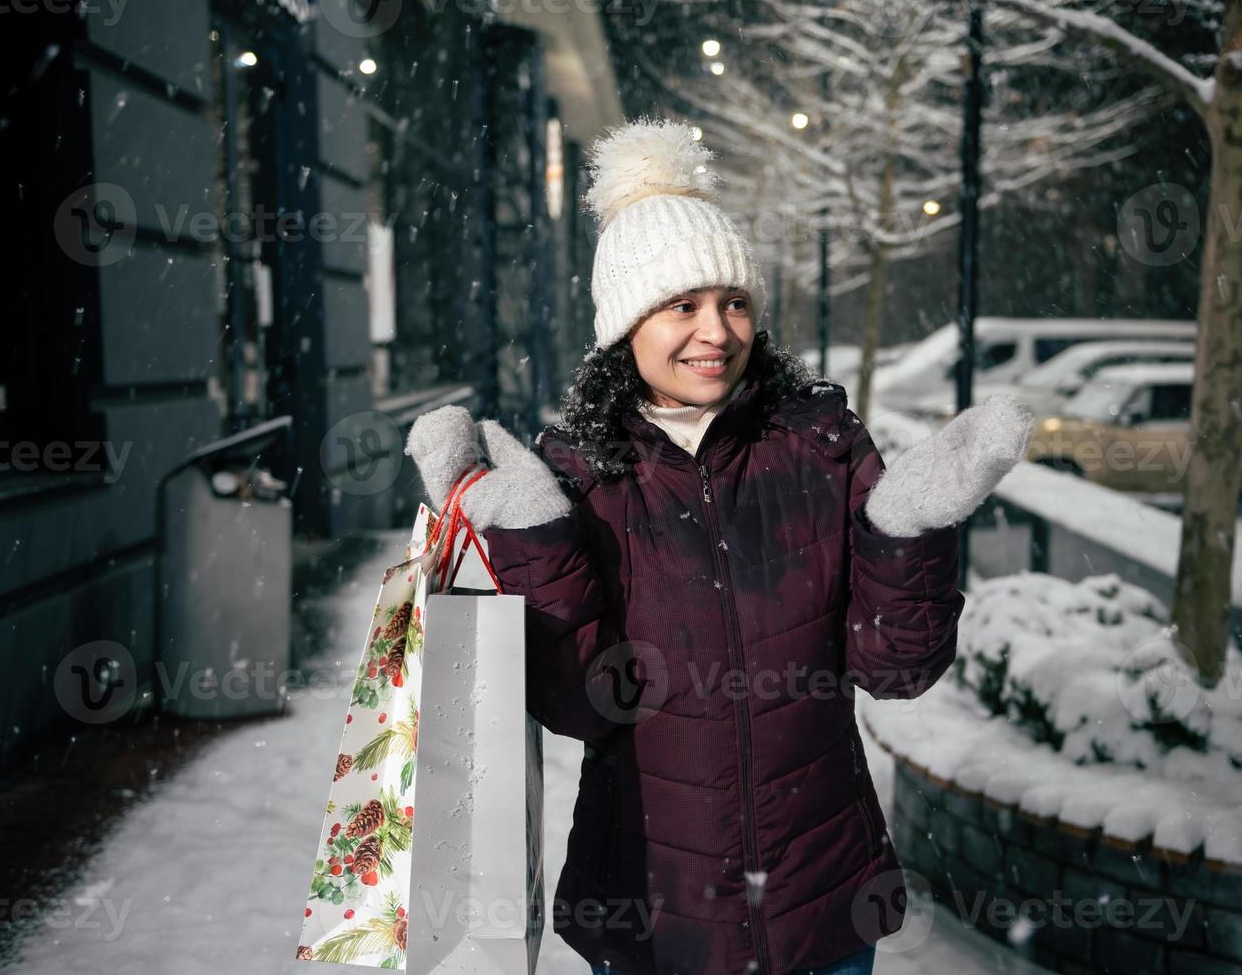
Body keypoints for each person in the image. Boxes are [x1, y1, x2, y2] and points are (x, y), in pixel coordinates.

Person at [405, 117, 1032, 975]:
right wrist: (533, 539)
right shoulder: (581, 473)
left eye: (734, 302)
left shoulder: (821, 445)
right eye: (681, 305)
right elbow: (585, 706)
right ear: (626, 323)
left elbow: (896, 670)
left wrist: (908, 531)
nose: (716, 331)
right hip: (649, 912)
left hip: (823, 905)